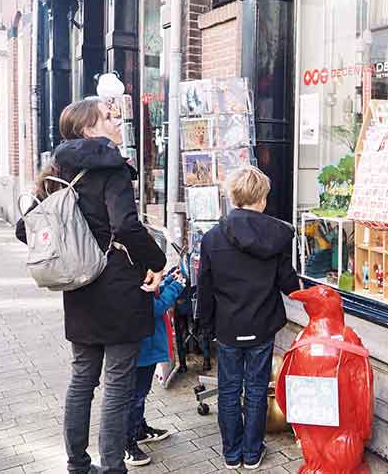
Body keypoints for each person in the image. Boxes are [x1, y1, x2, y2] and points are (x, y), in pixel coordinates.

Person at [15, 99, 167, 474]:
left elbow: (25, 229)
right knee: (117, 382)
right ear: (89, 129)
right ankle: (113, 466)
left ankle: (78, 465)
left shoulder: (55, 170)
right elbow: (127, 226)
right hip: (117, 285)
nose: (118, 123)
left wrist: (71, 248)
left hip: (80, 288)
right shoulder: (112, 167)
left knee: (82, 378)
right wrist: (158, 262)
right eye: (110, 118)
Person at [197, 165, 301, 470]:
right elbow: (287, 282)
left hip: (228, 326)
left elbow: (205, 285)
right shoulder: (277, 236)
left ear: (232, 197)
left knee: (229, 389)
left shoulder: (213, 238)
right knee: (256, 388)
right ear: (263, 199)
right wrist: (301, 293)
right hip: (262, 324)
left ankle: (232, 454)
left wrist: (204, 323)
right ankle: (253, 453)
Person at [124, 268, 186, 467]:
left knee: (140, 392)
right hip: (141, 347)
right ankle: (127, 443)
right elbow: (154, 307)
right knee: (135, 396)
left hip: (146, 346)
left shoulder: (138, 268)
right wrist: (175, 287)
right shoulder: (129, 272)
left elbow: (153, 293)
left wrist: (166, 281)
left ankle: (139, 430)